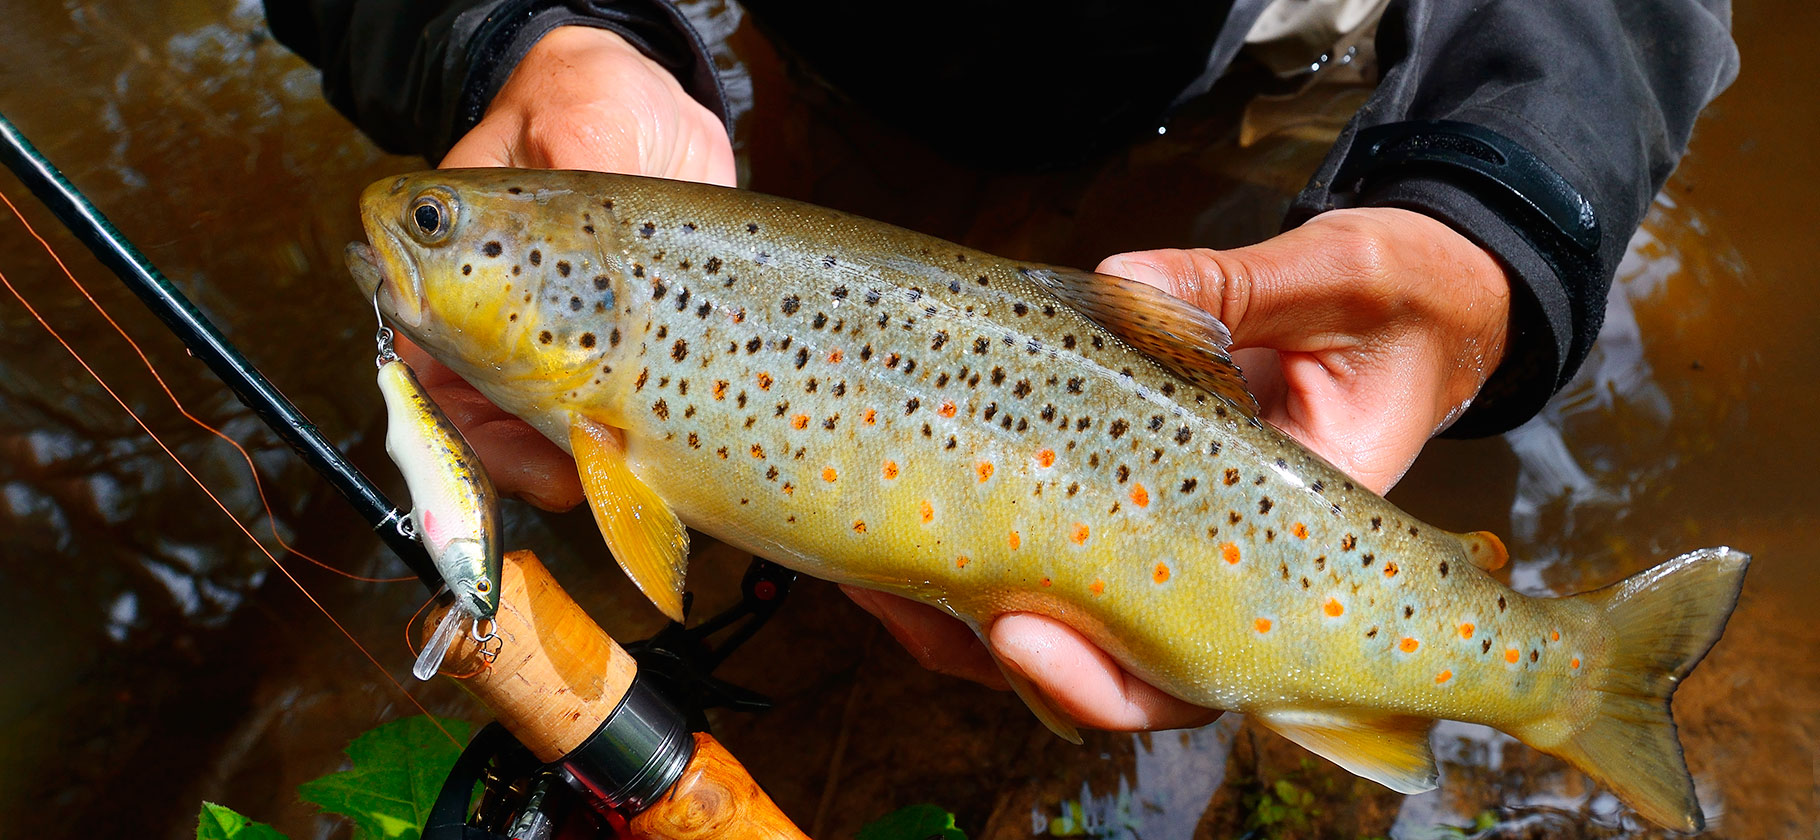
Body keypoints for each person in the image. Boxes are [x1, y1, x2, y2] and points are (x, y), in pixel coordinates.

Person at [266, 0, 1736, 731]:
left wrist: (1499, 223)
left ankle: (1558, 675)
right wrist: (526, 35)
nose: (405, 221)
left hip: (1259, 66)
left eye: (443, 225)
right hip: (853, 46)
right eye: (445, 231)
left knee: (1188, 338)